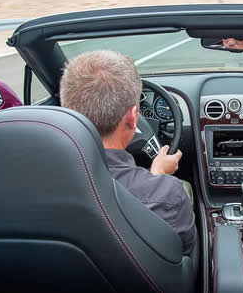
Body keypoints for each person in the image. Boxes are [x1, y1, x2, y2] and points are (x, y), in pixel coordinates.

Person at [59, 50, 197, 256]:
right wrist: (157, 179)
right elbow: (184, 251)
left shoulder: (33, 180)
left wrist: (154, 177)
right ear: (133, 117)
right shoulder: (169, 194)